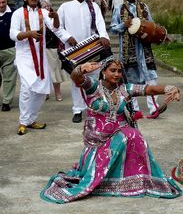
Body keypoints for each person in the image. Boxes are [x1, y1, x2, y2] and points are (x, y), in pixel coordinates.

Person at [40, 56, 182, 203]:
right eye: (113, 70)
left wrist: (170, 88)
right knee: (127, 135)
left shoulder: (124, 89)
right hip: (97, 142)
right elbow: (77, 78)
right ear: (103, 72)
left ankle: (135, 177)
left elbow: (148, 89)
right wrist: (81, 69)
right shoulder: (94, 87)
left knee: (133, 135)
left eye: (120, 71)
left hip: (119, 134)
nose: (117, 74)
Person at [110, 0, 166, 118]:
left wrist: (160, 35)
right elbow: (113, 29)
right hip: (129, 52)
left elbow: (152, 25)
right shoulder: (118, 9)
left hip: (145, 49)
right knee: (130, 80)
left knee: (151, 77)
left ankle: (153, 108)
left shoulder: (144, 7)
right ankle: (134, 110)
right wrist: (124, 25)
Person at [57, 0, 110, 123]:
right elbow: (58, 27)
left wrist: (104, 36)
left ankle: (94, 108)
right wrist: (67, 37)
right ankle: (78, 110)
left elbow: (100, 24)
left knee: (94, 79)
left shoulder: (94, 6)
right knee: (77, 80)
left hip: (92, 49)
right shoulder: (65, 7)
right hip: (74, 51)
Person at [10, 0, 61, 135]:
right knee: (26, 89)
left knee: (41, 90)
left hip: (40, 57)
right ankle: (23, 121)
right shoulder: (18, 13)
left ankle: (31, 120)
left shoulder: (43, 12)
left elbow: (55, 28)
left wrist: (56, 17)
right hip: (24, 57)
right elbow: (13, 34)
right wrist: (29, 34)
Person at [40, 0, 67, 101]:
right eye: (43, 6)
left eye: (47, 6)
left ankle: (57, 92)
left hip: (54, 46)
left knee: (56, 72)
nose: (45, 9)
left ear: (50, 6)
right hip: (42, 47)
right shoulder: (39, 16)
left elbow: (60, 29)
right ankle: (45, 92)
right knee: (44, 72)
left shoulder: (54, 15)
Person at [0, 0, 17, 111]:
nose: (1, 5)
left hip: (10, 50)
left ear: (7, 1)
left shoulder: (14, 13)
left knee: (9, 78)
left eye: (3, 2)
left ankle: (6, 102)